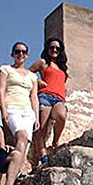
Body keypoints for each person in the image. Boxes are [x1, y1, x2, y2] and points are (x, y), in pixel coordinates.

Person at [0, 41, 39, 163]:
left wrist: (36, 117)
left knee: (26, 141)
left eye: (23, 52)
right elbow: (1, 90)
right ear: (12, 54)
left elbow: (34, 97)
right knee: (22, 135)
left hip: (28, 111)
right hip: (12, 108)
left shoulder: (33, 76)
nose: (21, 54)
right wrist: (3, 111)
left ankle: (17, 169)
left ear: (27, 55)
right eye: (17, 51)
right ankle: (15, 169)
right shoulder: (5, 69)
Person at [30, 37, 68, 165]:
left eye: (57, 48)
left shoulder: (62, 67)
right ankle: (43, 157)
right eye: (52, 47)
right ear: (47, 49)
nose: (54, 50)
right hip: (45, 96)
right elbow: (27, 73)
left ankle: (55, 142)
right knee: (41, 128)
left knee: (61, 115)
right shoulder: (43, 63)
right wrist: (37, 81)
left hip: (59, 99)